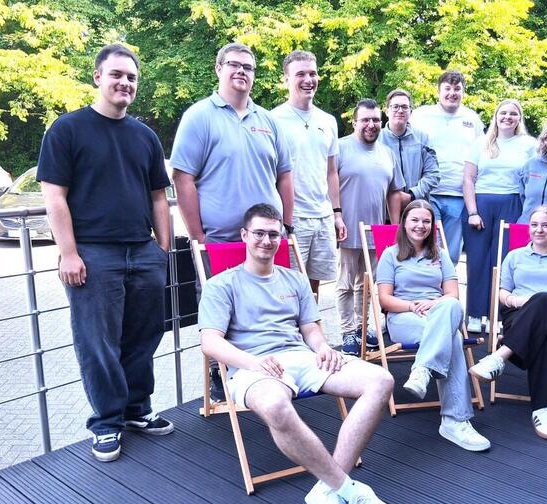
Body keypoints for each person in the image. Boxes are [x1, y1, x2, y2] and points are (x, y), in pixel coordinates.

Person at [199, 203, 405, 504]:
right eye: (259, 233)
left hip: (302, 357)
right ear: (244, 235)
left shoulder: (295, 280)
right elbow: (210, 342)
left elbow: (310, 328)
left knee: (381, 380)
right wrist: (253, 363)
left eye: (273, 234)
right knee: (276, 405)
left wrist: (322, 346)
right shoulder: (222, 285)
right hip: (252, 365)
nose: (266, 240)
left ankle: (328, 490)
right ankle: (351, 492)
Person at [38, 44, 174, 462]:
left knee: (144, 337)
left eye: (131, 77)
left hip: (142, 253)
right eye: (116, 74)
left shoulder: (145, 136)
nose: (124, 83)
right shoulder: (67, 130)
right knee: (98, 344)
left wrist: (163, 251)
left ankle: (136, 409)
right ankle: (107, 422)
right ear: (98, 77)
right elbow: (54, 197)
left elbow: (159, 197)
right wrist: (68, 254)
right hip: (93, 256)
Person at [375, 200, 490, 451]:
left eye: (426, 221)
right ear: (404, 223)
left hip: (438, 314)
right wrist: (412, 306)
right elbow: (385, 299)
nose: (421, 225)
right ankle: (455, 421)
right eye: (415, 220)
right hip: (404, 317)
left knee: (451, 307)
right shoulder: (390, 255)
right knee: (453, 338)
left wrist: (434, 304)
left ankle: (423, 369)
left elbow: (452, 294)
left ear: (433, 225)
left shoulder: (441, 255)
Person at [469, 206, 547, 441]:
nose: (539, 230)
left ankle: (500, 356)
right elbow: (503, 292)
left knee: (544, 299)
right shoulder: (514, 256)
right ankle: (543, 409)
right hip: (520, 315)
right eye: (534, 225)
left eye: (546, 225)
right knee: (543, 336)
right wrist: (518, 301)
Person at [171, 42, 293, 244]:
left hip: (269, 241)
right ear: (218, 69)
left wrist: (287, 228)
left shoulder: (270, 121)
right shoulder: (198, 117)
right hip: (220, 242)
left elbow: (285, 176)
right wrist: (198, 237)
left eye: (247, 67)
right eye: (233, 64)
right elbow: (182, 178)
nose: (241, 71)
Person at [270, 50, 345, 297]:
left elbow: (331, 172)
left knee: (314, 287)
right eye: (300, 74)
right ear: (286, 79)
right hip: (292, 219)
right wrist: (281, 220)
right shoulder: (273, 120)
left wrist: (336, 214)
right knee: (287, 285)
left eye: (313, 73)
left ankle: (312, 322)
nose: (308, 80)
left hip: (323, 217)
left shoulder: (328, 120)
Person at [462, 99, 536, 333]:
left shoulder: (529, 144)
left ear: (519, 118)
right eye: (503, 113)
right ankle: (476, 314)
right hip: (481, 203)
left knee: (505, 261)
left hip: (512, 203)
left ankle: (501, 315)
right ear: (495, 116)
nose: (507, 117)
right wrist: (473, 212)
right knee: (477, 260)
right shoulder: (481, 142)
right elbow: (468, 179)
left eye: (513, 113)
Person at [336, 99, 403, 355]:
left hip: (376, 232)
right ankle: (347, 331)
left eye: (376, 120)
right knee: (345, 284)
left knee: (367, 284)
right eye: (365, 120)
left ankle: (362, 328)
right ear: (354, 122)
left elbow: (394, 192)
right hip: (346, 228)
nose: (371, 124)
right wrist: (335, 216)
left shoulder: (387, 153)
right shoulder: (340, 148)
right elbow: (328, 185)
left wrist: (395, 227)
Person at [410, 70, 485, 264]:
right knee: (424, 248)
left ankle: (449, 283)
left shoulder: (472, 119)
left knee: (451, 253)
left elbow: (482, 154)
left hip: (459, 195)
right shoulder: (421, 116)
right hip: (427, 193)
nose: (452, 93)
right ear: (438, 91)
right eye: (448, 88)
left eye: (457, 89)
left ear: (463, 92)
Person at [378, 89, 440, 210]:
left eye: (404, 107)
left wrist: (413, 195)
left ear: (411, 112)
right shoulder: (377, 140)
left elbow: (433, 174)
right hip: (383, 210)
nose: (400, 110)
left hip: (417, 209)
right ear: (387, 111)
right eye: (395, 107)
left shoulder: (423, 138)